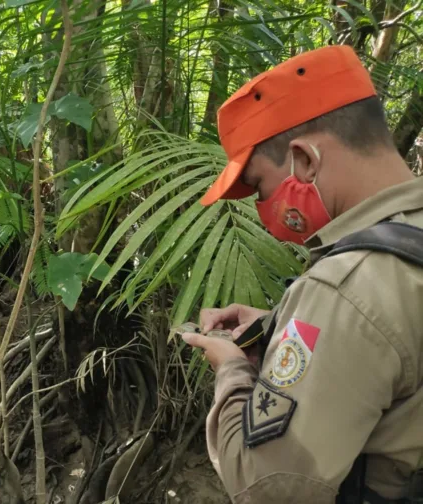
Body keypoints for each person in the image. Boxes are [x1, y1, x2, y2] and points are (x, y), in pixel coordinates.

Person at [181, 45, 423, 503]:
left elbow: (270, 489)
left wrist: (233, 370)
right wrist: (282, 325)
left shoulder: (344, 291)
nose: (261, 208)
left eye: (258, 186)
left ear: (305, 160)